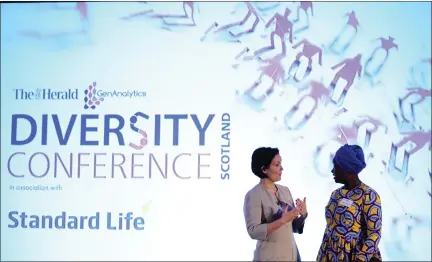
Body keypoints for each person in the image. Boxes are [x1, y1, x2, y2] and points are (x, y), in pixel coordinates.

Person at [317, 144, 382, 261]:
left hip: (353, 256)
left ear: (347, 170)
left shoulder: (369, 195)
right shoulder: (336, 194)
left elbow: (374, 233)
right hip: (329, 254)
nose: (332, 170)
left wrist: (361, 258)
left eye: (336, 166)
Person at [243, 147, 308, 261]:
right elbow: (253, 231)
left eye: (281, 164)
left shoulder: (285, 190)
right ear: (264, 169)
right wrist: (281, 221)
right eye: (277, 165)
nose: (282, 168)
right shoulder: (253, 195)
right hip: (269, 257)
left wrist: (303, 215)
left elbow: (293, 227)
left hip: (292, 256)